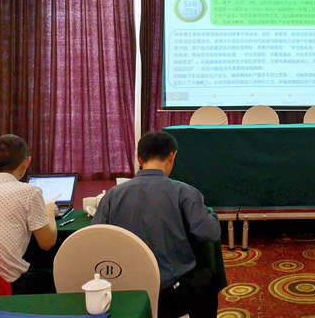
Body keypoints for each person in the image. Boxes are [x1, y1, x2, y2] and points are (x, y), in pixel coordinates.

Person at [92, 131, 221, 318]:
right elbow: (211, 233)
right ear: (172, 156)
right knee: (208, 278)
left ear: (139, 158)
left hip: (124, 290)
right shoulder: (185, 192)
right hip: (170, 295)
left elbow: (95, 238)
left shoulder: (112, 195)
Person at [0, 134, 58, 294]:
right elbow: (47, 243)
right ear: (26, 162)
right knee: (51, 277)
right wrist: (49, 211)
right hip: (6, 285)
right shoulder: (30, 192)